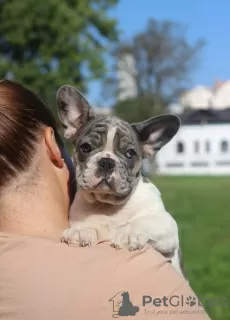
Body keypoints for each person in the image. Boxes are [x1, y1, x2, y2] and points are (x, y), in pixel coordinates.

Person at [0, 80, 210, 320]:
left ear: (148, 147)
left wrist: (137, 229)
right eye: (88, 148)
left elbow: (167, 234)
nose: (107, 163)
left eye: (129, 154)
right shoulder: (78, 204)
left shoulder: (145, 200)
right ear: (70, 132)